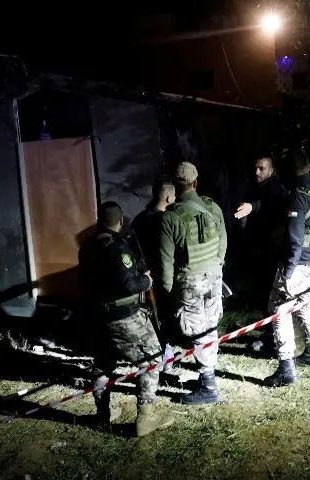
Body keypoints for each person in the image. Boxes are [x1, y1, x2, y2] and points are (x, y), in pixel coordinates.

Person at [78, 201, 175, 437]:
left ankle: (103, 414)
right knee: (151, 360)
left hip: (97, 316)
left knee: (103, 364)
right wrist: (147, 280)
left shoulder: (87, 246)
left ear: (99, 220)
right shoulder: (117, 248)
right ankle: (145, 418)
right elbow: (129, 285)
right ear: (120, 221)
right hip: (124, 317)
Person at [159, 162, 228, 405]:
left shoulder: (170, 217)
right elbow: (223, 243)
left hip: (190, 282)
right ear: (196, 183)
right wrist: (216, 268)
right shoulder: (213, 207)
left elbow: (166, 262)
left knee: (198, 331)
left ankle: (208, 386)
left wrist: (168, 292)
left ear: (175, 187)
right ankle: (207, 378)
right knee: (209, 326)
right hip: (214, 276)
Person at [264, 148, 310, 388]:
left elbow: (295, 238)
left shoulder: (299, 196)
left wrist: (288, 271)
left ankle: (286, 369)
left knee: (279, 308)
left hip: (301, 263)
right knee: (305, 303)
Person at [233, 156, 290, 351]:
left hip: (272, 253)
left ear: (271, 171)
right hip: (260, 251)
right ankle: (268, 333)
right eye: (255, 168)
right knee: (262, 295)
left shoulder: (276, 190)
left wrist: (253, 206)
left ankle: (270, 339)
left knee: (270, 296)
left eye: (261, 169)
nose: (256, 172)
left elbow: (272, 205)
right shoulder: (255, 187)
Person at [131, 180, 176, 371]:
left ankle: (159, 352)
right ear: (169, 198)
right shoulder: (165, 220)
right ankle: (166, 354)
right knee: (164, 316)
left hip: (143, 278)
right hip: (161, 275)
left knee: (151, 318)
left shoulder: (139, 219)